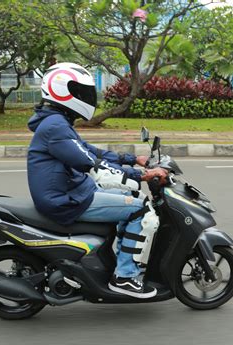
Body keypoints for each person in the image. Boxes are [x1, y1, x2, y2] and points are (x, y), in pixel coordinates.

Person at [27, 63, 168, 298]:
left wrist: (134, 159)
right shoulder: (55, 127)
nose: (88, 97)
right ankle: (124, 278)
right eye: (81, 91)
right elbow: (92, 165)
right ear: (62, 91)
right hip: (67, 200)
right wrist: (141, 175)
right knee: (141, 209)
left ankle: (122, 263)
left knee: (134, 197)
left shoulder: (58, 122)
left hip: (73, 191)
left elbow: (93, 152)